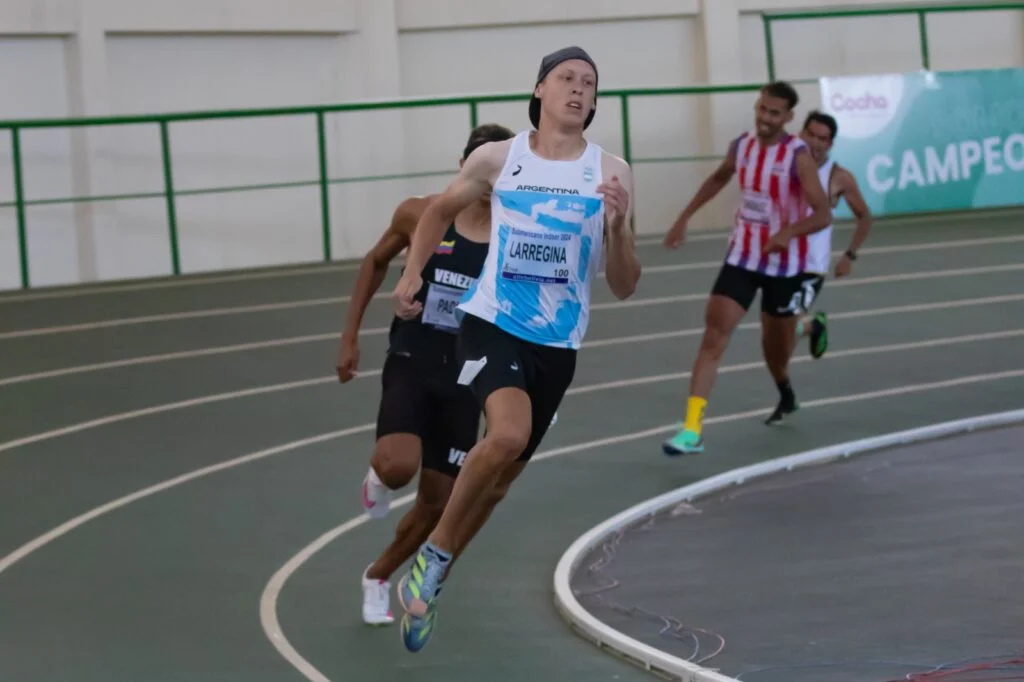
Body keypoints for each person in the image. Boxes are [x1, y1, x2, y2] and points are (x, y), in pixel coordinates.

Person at [389, 46, 642, 652]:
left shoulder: (611, 172)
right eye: (565, 79)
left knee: (499, 481)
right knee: (503, 436)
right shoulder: (501, 158)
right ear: (539, 91)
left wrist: (620, 226)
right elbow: (436, 211)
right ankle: (434, 554)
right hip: (492, 322)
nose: (577, 90)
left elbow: (626, 284)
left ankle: (436, 573)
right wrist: (412, 273)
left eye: (588, 83)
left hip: (558, 344)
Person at [334, 123, 515, 626]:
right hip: (413, 360)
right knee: (397, 466)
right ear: (463, 167)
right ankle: (380, 476)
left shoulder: (512, 234)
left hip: (466, 375)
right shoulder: (420, 214)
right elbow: (374, 260)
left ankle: (378, 575)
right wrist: (350, 337)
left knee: (438, 503)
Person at [661, 81, 833, 455]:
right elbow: (720, 176)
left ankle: (786, 389)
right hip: (742, 257)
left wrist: (789, 232)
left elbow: (823, 213)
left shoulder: (798, 157)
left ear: (787, 118)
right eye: (762, 109)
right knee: (713, 337)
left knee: (776, 350)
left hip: (784, 267)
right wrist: (683, 217)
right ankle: (692, 429)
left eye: (774, 113)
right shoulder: (743, 146)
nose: (765, 118)